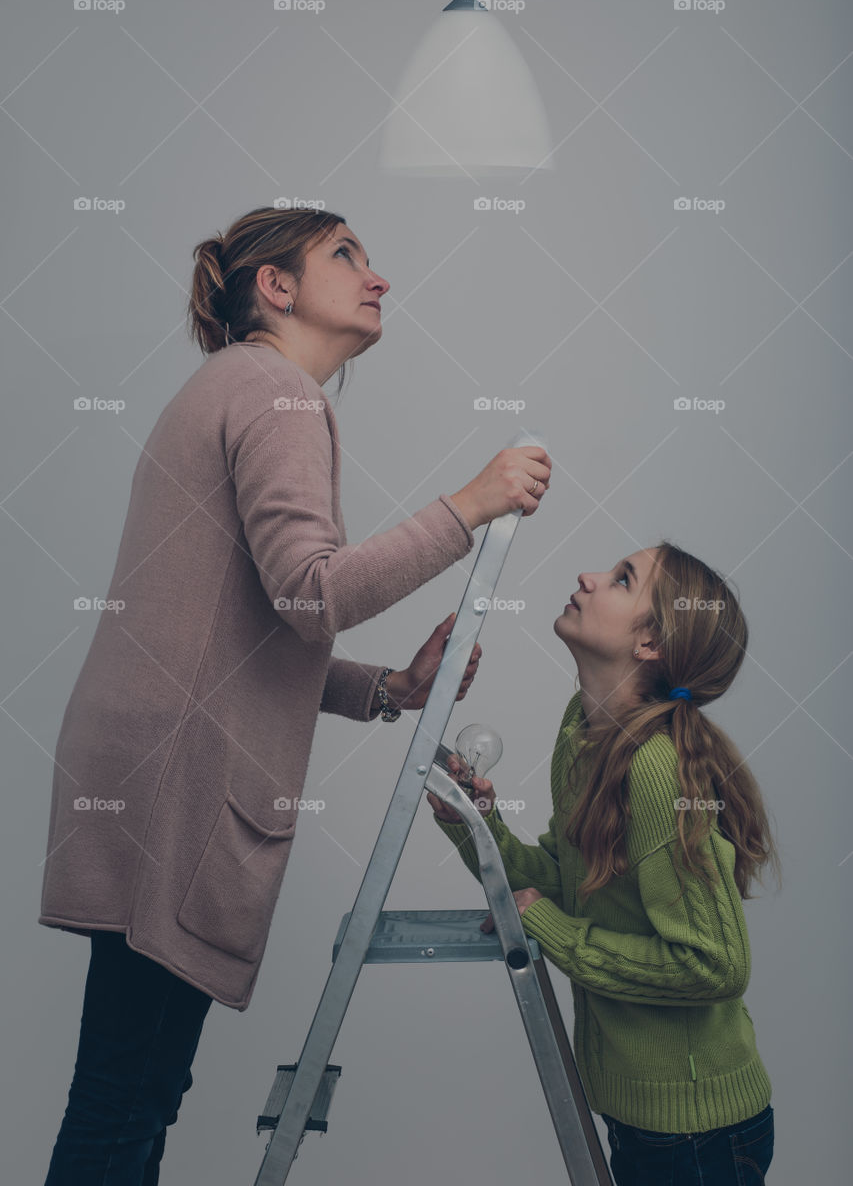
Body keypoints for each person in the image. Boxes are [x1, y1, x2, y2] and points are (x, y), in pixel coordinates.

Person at [39, 205, 552, 1185]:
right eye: (347, 255)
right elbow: (310, 592)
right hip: (174, 782)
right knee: (125, 1097)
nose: (378, 277)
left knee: (133, 1087)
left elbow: (232, 632)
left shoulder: (244, 387)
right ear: (275, 286)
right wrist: (471, 503)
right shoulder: (273, 391)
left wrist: (388, 689)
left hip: (153, 767)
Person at [429, 541, 781, 1186]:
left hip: (698, 1134)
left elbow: (716, 964)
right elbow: (571, 883)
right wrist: (477, 827)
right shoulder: (582, 733)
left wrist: (554, 931)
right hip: (638, 1113)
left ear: (651, 643)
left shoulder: (656, 769)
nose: (587, 576)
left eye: (621, 580)